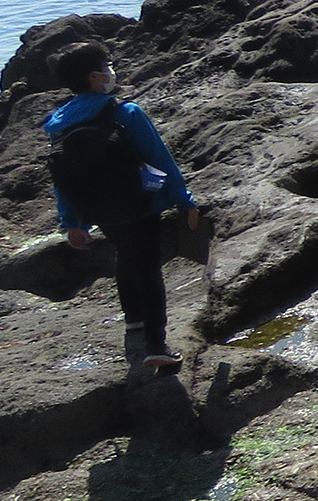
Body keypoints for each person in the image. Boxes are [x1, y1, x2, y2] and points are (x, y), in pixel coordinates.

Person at [45, 41, 203, 371]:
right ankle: (156, 345)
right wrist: (183, 201)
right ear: (94, 77)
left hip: (100, 211)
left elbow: (63, 178)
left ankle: (134, 322)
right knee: (147, 266)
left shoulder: (58, 124)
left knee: (128, 256)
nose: (111, 71)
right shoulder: (125, 113)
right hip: (140, 204)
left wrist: (72, 222)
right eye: (106, 66)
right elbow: (161, 160)